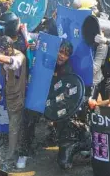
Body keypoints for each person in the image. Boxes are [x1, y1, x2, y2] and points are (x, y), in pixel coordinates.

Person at [17, 40, 73, 169]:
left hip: (54, 100)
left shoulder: (68, 69)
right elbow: (33, 65)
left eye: (66, 54)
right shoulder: (46, 59)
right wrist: (33, 50)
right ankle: (23, 154)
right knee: (29, 122)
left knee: (63, 123)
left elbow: (66, 89)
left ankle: (63, 153)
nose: (62, 56)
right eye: (60, 52)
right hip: (39, 96)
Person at [0, 35, 27, 165]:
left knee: (14, 128)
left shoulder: (19, 57)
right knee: (12, 125)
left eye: (0, 52)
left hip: (17, 97)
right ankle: (14, 148)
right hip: (8, 93)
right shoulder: (1, 50)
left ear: (8, 50)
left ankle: (11, 158)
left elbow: (11, 62)